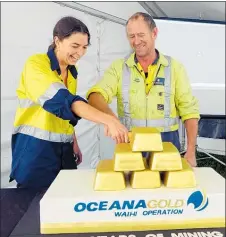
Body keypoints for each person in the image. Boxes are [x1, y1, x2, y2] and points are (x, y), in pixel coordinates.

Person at [9, 16, 129, 189]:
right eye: (75, 46)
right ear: (57, 41)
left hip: (64, 151)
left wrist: (73, 141)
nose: (80, 52)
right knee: (36, 209)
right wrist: (109, 120)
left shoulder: (72, 72)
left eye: (84, 47)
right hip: (36, 151)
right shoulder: (36, 65)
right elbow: (63, 101)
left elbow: (64, 114)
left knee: (66, 201)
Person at [86, 12, 200, 167]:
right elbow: (95, 95)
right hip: (130, 143)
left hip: (166, 144)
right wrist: (111, 120)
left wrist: (191, 151)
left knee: (166, 191)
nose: (136, 41)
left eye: (141, 35)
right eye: (131, 36)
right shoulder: (119, 67)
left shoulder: (175, 68)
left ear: (154, 33)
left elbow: (189, 111)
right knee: (130, 190)